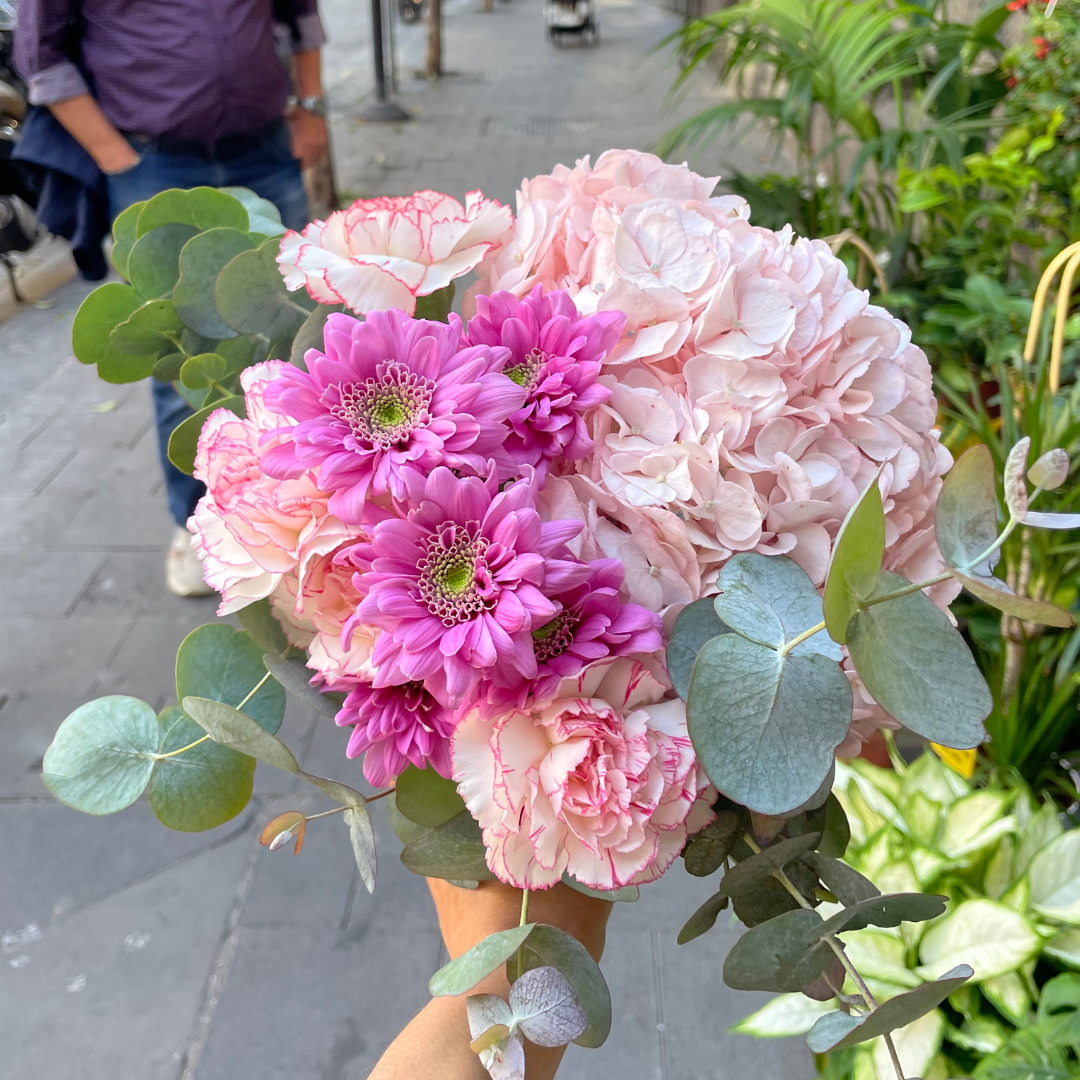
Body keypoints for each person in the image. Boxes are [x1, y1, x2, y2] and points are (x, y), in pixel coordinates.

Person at [15, 0, 329, 595]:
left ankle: (298, 523)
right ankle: (197, 526)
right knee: (183, 358)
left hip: (265, 151)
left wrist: (309, 106)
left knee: (294, 338)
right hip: (151, 162)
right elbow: (43, 57)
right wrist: (114, 157)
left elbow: (300, 15)